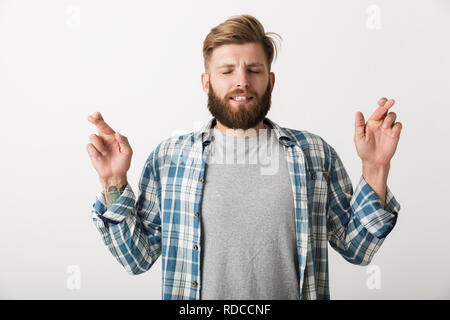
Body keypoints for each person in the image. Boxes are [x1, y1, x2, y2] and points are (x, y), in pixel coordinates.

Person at [86, 14, 402, 300]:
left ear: (270, 81)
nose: (242, 81)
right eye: (227, 71)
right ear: (206, 82)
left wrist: (375, 167)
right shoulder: (169, 159)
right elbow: (136, 259)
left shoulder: (314, 154)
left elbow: (356, 249)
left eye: (253, 70)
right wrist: (113, 181)